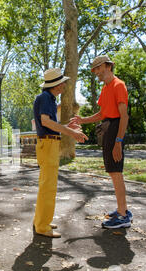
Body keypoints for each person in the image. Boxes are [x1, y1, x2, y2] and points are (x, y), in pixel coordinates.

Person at [70, 55, 132, 229]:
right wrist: (82, 120)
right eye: (94, 69)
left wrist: (118, 141)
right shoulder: (105, 89)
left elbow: (124, 116)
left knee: (116, 171)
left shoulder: (118, 85)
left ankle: (122, 216)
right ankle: (123, 209)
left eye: (98, 68)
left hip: (116, 129)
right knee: (113, 171)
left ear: (108, 66)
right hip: (109, 128)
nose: (96, 72)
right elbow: (102, 114)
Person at [33, 68, 88, 238]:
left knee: (47, 186)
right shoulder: (45, 98)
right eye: (62, 82)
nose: (64, 84)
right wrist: (72, 133)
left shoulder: (48, 98)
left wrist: (66, 128)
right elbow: (45, 122)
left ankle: (41, 221)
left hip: (49, 143)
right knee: (48, 187)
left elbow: (50, 124)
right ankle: (42, 226)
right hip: (47, 144)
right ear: (56, 84)